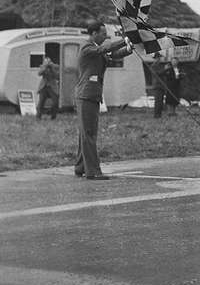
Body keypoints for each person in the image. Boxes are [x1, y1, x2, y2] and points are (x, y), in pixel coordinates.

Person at [74, 20, 132, 180]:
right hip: (86, 95)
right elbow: (105, 48)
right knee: (89, 133)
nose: (105, 35)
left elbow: (112, 54)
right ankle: (93, 171)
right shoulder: (87, 47)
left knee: (85, 133)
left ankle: (80, 167)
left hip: (91, 95)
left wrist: (128, 48)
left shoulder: (95, 49)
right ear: (93, 33)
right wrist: (123, 40)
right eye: (103, 33)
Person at [36, 55, 60, 120]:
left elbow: (57, 76)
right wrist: (45, 67)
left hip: (52, 87)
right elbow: (39, 73)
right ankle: (38, 117)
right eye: (45, 61)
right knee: (41, 102)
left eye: (48, 61)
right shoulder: (42, 66)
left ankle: (53, 117)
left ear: (51, 61)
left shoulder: (55, 66)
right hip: (44, 86)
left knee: (55, 102)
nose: (46, 63)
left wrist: (51, 67)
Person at [150, 52, 172, 118]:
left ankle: (159, 114)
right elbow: (158, 73)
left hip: (162, 85)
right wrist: (165, 69)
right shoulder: (153, 66)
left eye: (159, 58)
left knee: (161, 101)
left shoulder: (160, 65)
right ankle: (156, 115)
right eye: (157, 58)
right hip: (157, 85)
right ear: (155, 59)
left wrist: (167, 70)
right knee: (158, 101)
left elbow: (163, 73)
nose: (159, 59)